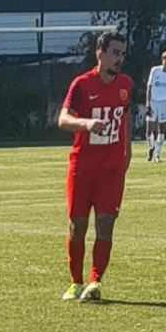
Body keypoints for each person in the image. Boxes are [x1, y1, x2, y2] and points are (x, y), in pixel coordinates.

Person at [57, 31, 134, 302]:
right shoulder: (82, 85)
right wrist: (86, 124)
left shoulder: (126, 84)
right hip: (83, 166)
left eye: (122, 54)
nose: (119, 59)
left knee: (106, 224)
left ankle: (95, 281)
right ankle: (75, 282)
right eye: (115, 53)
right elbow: (63, 119)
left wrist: (128, 152)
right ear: (99, 53)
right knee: (77, 225)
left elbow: (125, 117)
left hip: (111, 169)